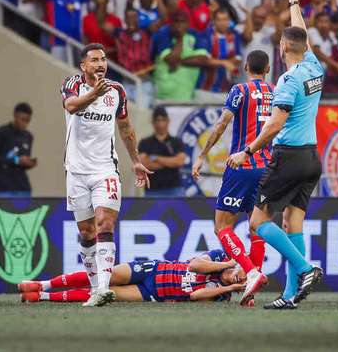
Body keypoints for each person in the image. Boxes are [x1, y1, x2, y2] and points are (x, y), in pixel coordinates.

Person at [226, 0, 324, 310]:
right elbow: (301, 34)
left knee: (258, 222)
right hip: (312, 157)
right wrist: (294, 1)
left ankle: (306, 268)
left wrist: (247, 151)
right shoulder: (315, 67)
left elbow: (275, 124)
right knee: (291, 223)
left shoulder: (288, 79)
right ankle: (291, 295)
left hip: (288, 157)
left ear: (282, 47)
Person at [60, 43, 152, 307]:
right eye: (94, 60)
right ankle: (94, 288)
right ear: (83, 66)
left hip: (105, 170)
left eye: (103, 59)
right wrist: (93, 95)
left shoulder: (117, 91)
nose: (100, 64)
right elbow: (71, 106)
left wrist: (135, 161)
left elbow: (125, 127)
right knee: (86, 232)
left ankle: (103, 287)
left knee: (104, 223)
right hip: (76, 172)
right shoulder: (72, 85)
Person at [192, 50, 274, 307]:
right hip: (268, 168)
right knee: (256, 226)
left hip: (242, 166)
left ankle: (251, 272)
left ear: (246, 66)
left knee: (222, 227)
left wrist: (202, 155)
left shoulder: (239, 90)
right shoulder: (277, 91)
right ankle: (251, 292)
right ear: (268, 68)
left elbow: (221, 124)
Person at [18, 249, 245, 303]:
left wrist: (227, 290)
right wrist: (228, 263)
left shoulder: (221, 295)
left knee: (103, 292)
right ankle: (42, 283)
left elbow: (196, 295)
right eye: (241, 275)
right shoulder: (220, 256)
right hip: (154, 269)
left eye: (243, 283)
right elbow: (195, 265)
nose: (239, 280)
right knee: (101, 276)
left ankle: (41, 297)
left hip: (152, 293)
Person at [0, 103, 37, 197]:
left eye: (28, 120)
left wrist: (29, 163)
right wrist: (16, 160)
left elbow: (23, 161)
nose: (25, 123)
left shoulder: (28, 136)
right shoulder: (1, 132)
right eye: (23, 119)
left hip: (22, 186)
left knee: (25, 210)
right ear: (15, 116)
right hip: (5, 186)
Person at [137, 106, 187, 197]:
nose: (160, 124)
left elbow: (180, 161)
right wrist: (170, 163)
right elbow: (144, 165)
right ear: (153, 122)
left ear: (168, 121)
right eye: (158, 120)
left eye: (163, 120)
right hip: (152, 190)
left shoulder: (176, 142)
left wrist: (155, 158)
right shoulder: (145, 143)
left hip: (174, 189)